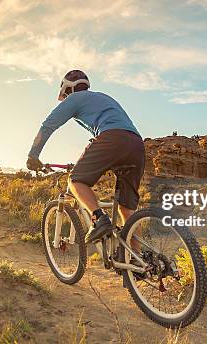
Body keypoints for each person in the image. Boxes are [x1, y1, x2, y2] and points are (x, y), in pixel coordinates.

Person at [26, 70, 145, 244]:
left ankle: (99, 219)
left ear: (68, 90)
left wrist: (33, 155)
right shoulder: (103, 97)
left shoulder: (74, 99)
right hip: (136, 145)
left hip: (111, 138)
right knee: (126, 210)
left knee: (75, 180)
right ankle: (137, 262)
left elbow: (48, 126)